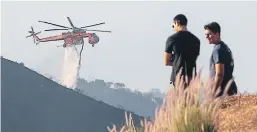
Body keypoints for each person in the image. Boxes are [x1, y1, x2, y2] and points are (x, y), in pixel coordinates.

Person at [164, 14, 200, 87]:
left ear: (177, 23)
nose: (173, 28)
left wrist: (176, 61)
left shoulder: (172, 39)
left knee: (180, 98)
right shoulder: (196, 40)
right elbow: (194, 58)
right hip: (192, 77)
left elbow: (166, 61)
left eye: (173, 25)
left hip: (178, 77)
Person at [204, 22, 237, 97]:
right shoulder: (224, 47)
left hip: (223, 91)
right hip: (230, 88)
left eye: (209, 34)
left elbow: (219, 74)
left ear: (217, 34)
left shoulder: (218, 50)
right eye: (205, 35)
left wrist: (213, 92)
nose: (206, 37)